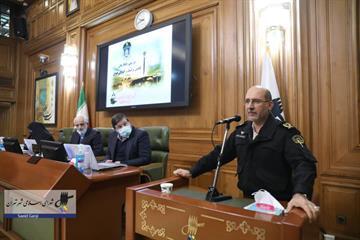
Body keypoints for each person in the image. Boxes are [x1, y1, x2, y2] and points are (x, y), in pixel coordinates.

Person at [174, 85, 319, 222]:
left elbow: (304, 163)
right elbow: (219, 155)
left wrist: (300, 193)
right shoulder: (241, 131)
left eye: (256, 101)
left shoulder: (285, 133)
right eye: (247, 101)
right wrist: (192, 171)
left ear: (270, 105)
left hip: (278, 203)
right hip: (248, 200)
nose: (250, 106)